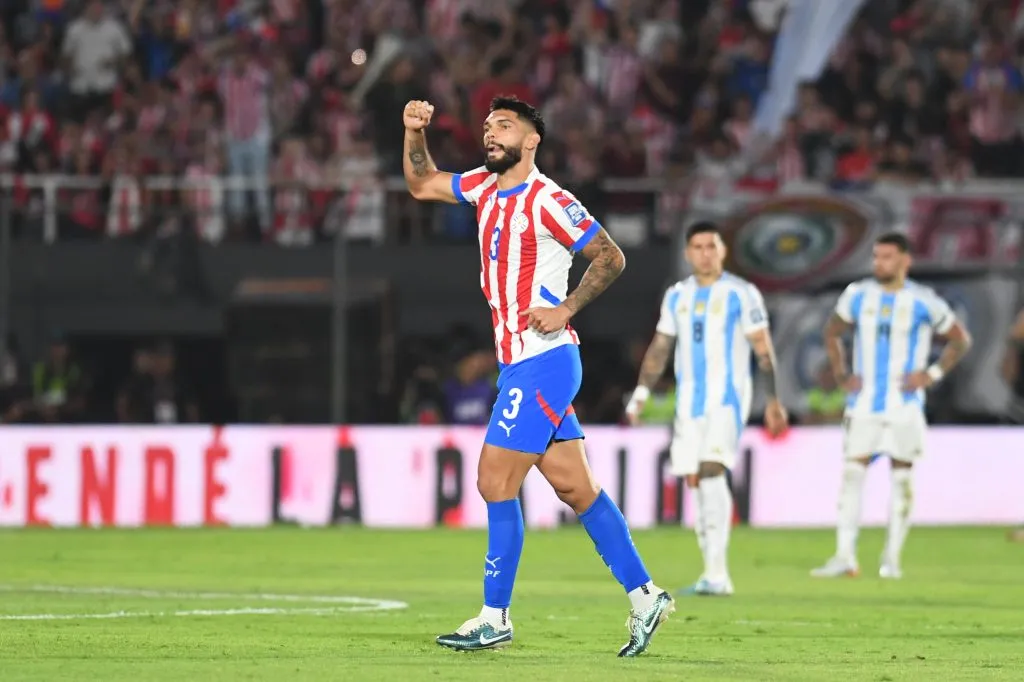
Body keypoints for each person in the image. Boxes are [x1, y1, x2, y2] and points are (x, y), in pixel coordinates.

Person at [402, 95, 674, 656]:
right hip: (519, 363)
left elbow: (610, 255)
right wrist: (413, 133)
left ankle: (494, 615)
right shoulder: (481, 185)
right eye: (487, 126)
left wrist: (568, 307)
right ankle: (647, 597)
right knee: (578, 488)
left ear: (531, 141)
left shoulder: (550, 200)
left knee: (494, 480)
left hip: (544, 359)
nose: (491, 133)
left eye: (504, 126)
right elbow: (422, 183)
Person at [624, 222, 788, 596]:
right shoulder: (677, 296)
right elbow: (660, 349)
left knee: (712, 472)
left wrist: (774, 400)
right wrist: (639, 396)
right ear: (687, 253)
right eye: (697, 247)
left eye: (711, 246)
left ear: (722, 251)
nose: (705, 253)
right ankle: (711, 572)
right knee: (696, 480)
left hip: (727, 400)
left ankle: (718, 574)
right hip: (689, 404)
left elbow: (762, 348)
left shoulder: (742, 294)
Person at [811, 233, 972, 579]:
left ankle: (891, 560)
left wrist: (931, 374)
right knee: (852, 474)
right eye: (876, 256)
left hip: (904, 404)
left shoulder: (923, 301)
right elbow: (832, 331)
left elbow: (960, 339)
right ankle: (844, 557)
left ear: (905, 260)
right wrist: (841, 373)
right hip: (864, 403)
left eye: (887, 257)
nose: (879, 263)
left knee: (902, 480)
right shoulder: (858, 295)